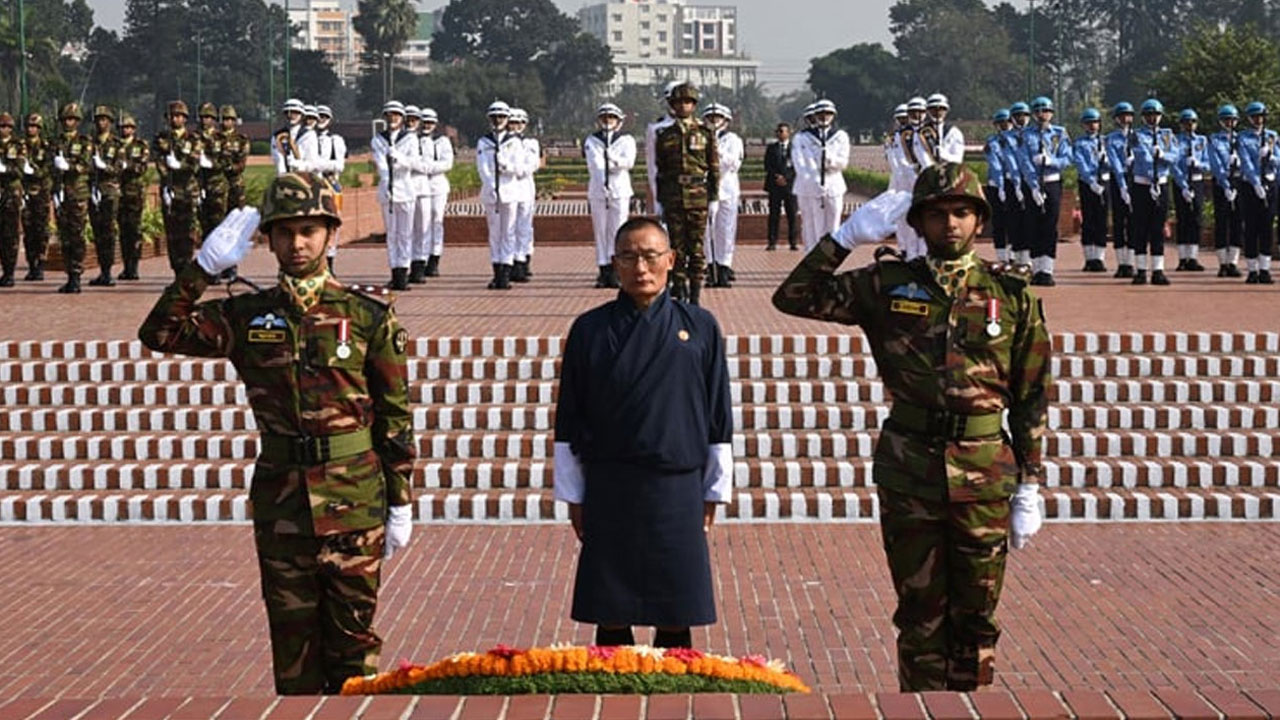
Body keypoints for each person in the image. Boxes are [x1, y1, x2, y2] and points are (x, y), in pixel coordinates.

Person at [771, 162, 1049, 692]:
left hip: (985, 471)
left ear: (979, 222)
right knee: (920, 613)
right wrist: (844, 236)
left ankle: (971, 706)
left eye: (962, 213)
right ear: (917, 222)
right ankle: (921, 709)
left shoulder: (1010, 294)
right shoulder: (885, 284)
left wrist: (1031, 484)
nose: (950, 224)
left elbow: (1032, 394)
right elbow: (794, 296)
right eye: (938, 214)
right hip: (911, 469)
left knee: (976, 615)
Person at [137, 172, 416, 694]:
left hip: (354, 500)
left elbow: (394, 414)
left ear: (331, 234)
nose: (297, 243)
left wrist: (399, 500)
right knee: (294, 652)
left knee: (354, 649)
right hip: (283, 503)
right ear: (267, 238)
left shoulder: (366, 314)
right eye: (284, 232)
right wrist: (200, 269)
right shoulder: (246, 315)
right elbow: (160, 332)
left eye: (309, 229)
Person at [553, 216, 732, 649]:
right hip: (611, 484)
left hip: (677, 485)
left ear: (671, 260)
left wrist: (715, 490)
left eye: (651, 256)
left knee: (676, 611)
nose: (641, 268)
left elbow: (718, 414)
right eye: (629, 257)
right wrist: (573, 495)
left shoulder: (701, 326)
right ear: (614, 264)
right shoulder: (590, 330)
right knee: (612, 613)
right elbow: (569, 417)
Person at [647, 82, 718, 304]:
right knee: (676, 249)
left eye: (687, 102)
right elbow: (660, 170)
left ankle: (695, 296)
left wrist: (714, 198)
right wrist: (659, 199)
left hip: (698, 195)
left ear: (694, 105)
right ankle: (679, 291)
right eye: (678, 102)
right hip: (674, 196)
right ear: (672, 105)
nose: (683, 106)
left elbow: (714, 168)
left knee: (696, 249)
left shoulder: (706, 132)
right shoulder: (665, 134)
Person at [1015, 96, 1071, 286]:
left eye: (1045, 111)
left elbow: (1066, 158)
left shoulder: (1060, 134)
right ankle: (1036, 267)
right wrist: (1033, 186)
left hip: (1052, 181)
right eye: (1038, 111)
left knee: (1049, 225)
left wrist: (1050, 161)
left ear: (1051, 113)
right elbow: (1023, 161)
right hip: (1032, 184)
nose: (1042, 115)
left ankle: (1047, 269)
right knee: (1033, 225)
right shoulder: (1026, 135)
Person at [1128, 98, 1183, 286]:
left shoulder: (1167, 135)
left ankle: (1158, 270)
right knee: (1140, 228)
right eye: (1149, 115)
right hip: (1142, 184)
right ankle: (1141, 270)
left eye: (1156, 115)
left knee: (1158, 228)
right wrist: (1154, 161)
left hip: (1161, 184)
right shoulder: (1136, 135)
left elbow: (1176, 155)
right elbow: (1141, 156)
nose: (1153, 118)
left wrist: (1162, 155)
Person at [585, 102, 636, 288]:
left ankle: (617, 270)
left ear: (618, 121)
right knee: (600, 231)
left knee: (617, 231)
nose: (608, 121)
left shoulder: (626, 140)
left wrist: (611, 160)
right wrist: (612, 163)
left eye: (612, 117)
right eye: (604, 117)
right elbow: (595, 164)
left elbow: (628, 162)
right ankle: (603, 269)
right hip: (599, 190)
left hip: (619, 190)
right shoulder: (592, 140)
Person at [371, 100, 421, 290]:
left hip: (405, 189)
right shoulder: (378, 139)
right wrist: (386, 179)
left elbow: (414, 162)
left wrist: (398, 158)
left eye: (396, 115)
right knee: (392, 234)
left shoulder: (410, 139)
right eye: (389, 115)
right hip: (388, 190)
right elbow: (380, 164)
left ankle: (404, 271)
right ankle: (395, 272)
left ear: (402, 118)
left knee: (405, 234)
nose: (393, 118)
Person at [153, 100, 206, 276]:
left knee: (187, 233)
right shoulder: (161, 138)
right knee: (172, 233)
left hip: (188, 190)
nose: (175, 119)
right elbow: (159, 161)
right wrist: (166, 176)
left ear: (184, 118)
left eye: (178, 116)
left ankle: (185, 268)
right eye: (171, 116)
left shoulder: (193, 139)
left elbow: (195, 164)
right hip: (170, 190)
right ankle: (176, 269)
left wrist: (179, 166)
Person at [476, 100, 524, 290]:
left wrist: (506, 166)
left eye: (502, 117)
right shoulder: (483, 141)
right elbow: (482, 167)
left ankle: (506, 272)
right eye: (495, 117)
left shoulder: (514, 142)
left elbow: (519, 167)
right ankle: (497, 271)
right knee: (495, 234)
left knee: (509, 233)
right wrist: (490, 185)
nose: (498, 120)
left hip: (509, 191)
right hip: (491, 192)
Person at [791, 98, 849, 253]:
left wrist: (829, 160)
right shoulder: (802, 137)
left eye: (828, 113)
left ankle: (830, 262)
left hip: (834, 185)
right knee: (815, 227)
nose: (824, 117)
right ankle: (814, 260)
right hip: (812, 186)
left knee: (834, 227)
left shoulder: (840, 136)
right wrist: (815, 177)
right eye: (821, 114)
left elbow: (843, 162)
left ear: (833, 115)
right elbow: (801, 164)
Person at [49, 102, 94, 294]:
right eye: (66, 119)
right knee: (64, 236)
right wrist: (54, 189)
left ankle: (76, 275)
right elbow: (49, 167)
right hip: (62, 194)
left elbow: (85, 165)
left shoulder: (84, 142)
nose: (69, 122)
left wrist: (68, 165)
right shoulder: (55, 142)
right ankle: (69, 275)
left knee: (76, 235)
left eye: (73, 120)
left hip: (78, 194)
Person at [703, 102, 742, 288]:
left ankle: (724, 266)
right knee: (707, 231)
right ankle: (711, 268)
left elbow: (731, 163)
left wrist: (715, 151)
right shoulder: (700, 137)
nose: (714, 121)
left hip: (727, 189)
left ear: (725, 121)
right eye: (710, 118)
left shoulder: (733, 139)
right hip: (706, 189)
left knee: (726, 230)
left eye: (717, 118)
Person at [1239, 101, 1278, 284]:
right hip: (1250, 187)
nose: (1258, 120)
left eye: (1261, 116)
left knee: (1266, 228)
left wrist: (1270, 155)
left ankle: (1265, 269)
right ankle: (1252, 269)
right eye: (1255, 116)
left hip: (1269, 184)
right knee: (1251, 228)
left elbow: (1279, 160)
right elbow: (1245, 163)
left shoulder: (1272, 136)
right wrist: (1255, 183)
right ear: (1249, 118)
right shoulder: (1244, 138)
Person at [85, 105, 123, 287]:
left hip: (109, 192)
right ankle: (102, 270)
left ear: (110, 123)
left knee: (108, 232)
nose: (101, 123)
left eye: (105, 119)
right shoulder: (89, 143)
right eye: (99, 119)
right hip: (93, 191)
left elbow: (119, 168)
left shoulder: (117, 145)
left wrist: (104, 166)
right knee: (97, 232)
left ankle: (108, 271)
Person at [1208, 104, 1245, 277]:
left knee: (1238, 222)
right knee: (1222, 222)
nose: (1229, 122)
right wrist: (1225, 184)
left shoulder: (1242, 140)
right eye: (1226, 119)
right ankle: (1222, 263)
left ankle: (1233, 262)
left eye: (1232, 119)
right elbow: (1215, 165)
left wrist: (1240, 164)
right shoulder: (1215, 140)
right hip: (1221, 182)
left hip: (1239, 181)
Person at [414, 107, 452, 279]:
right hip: (420, 185)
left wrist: (427, 167)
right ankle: (420, 258)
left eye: (430, 122)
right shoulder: (413, 139)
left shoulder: (442, 141)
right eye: (425, 122)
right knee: (421, 224)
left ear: (435, 124)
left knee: (436, 221)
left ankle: (434, 258)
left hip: (437, 184)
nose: (427, 125)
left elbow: (447, 163)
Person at [1072, 108, 1111, 272]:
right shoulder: (1080, 143)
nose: (1092, 126)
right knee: (1088, 220)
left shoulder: (1106, 142)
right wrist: (1091, 181)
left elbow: (1116, 162)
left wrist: (1106, 160)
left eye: (1095, 122)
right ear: (1084, 125)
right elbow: (1080, 164)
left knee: (1102, 220)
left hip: (1104, 183)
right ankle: (1089, 258)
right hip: (1088, 184)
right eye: (1089, 123)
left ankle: (1100, 258)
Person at [1172, 109, 1208, 272]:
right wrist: (1183, 185)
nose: (1190, 125)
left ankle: (1192, 257)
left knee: (1196, 219)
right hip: (1182, 183)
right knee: (1182, 219)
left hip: (1197, 181)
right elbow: (1173, 164)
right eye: (1186, 122)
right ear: (1181, 124)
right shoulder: (1175, 141)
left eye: (1192, 122)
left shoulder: (1202, 141)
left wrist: (1198, 164)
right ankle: (1182, 258)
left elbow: (1208, 163)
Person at [1104, 102, 1137, 278]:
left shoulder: (1138, 136)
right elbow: (1114, 161)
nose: (1125, 118)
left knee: (1133, 221)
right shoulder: (1111, 138)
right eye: (1122, 115)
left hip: (1135, 179)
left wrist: (1135, 160)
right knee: (1118, 221)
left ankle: (1130, 262)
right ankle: (1121, 263)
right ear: (1117, 119)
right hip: (1118, 180)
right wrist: (1122, 185)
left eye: (1128, 115)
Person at [507, 107, 540, 283]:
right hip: (509, 187)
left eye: (519, 123)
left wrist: (516, 170)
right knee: (510, 227)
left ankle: (523, 259)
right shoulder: (504, 142)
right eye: (512, 122)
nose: (516, 126)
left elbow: (533, 164)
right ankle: (511, 261)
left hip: (525, 186)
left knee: (525, 226)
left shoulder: (531, 143)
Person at [116, 113, 150, 281]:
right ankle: (126, 266)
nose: (126, 130)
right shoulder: (114, 145)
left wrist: (127, 166)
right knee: (123, 231)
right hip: (119, 192)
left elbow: (142, 167)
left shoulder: (140, 145)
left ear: (134, 129)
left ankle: (134, 266)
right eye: (123, 128)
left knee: (134, 230)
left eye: (129, 127)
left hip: (134, 192)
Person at [314, 105, 348, 276]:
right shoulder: (308, 138)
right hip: (313, 185)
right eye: (318, 116)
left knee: (333, 224)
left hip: (330, 184)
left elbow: (339, 165)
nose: (320, 119)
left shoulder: (336, 140)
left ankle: (330, 261)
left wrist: (316, 164)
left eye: (324, 117)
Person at [20, 113, 52, 281]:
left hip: (40, 192)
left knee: (41, 229)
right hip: (25, 192)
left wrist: (34, 171)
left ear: (39, 129)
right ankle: (31, 264)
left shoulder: (45, 147)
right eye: (29, 126)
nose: (31, 129)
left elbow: (48, 167)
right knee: (28, 229)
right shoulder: (20, 146)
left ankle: (40, 264)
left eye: (34, 127)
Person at [197, 102, 231, 250]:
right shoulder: (194, 137)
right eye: (203, 117)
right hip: (199, 185)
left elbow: (226, 161)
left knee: (219, 224)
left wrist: (211, 164)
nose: (206, 120)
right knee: (204, 224)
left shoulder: (221, 138)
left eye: (209, 117)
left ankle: (224, 263)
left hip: (217, 185)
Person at [0, 112, 26, 286]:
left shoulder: (18, 145)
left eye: (8, 126)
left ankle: (9, 272)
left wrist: (5, 169)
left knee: (10, 234)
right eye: (2, 126)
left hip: (11, 192)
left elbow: (20, 169)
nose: (4, 129)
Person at [983, 109, 1011, 263]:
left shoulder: (1018, 139)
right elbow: (995, 165)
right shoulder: (992, 141)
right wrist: (1000, 186)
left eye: (1007, 122)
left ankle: (1014, 253)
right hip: (996, 185)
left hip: (1014, 183)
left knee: (1015, 220)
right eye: (1000, 123)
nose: (1004, 125)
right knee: (999, 221)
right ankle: (1001, 256)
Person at [764, 122, 797, 251]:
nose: (779, 133)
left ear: (789, 133)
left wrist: (786, 178)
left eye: (782, 131)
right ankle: (772, 242)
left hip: (790, 186)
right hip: (774, 185)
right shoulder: (771, 148)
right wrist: (777, 177)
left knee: (792, 215)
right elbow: (767, 166)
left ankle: (793, 241)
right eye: (778, 131)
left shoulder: (795, 148)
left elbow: (797, 166)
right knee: (773, 215)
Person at [915, 93, 965, 166]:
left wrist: (943, 155)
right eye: (933, 109)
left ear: (946, 111)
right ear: (928, 111)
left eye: (941, 109)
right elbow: (920, 156)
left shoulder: (954, 132)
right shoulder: (920, 133)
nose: (937, 112)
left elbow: (958, 158)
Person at [272, 98, 318, 175]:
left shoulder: (309, 135)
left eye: (295, 112)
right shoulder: (277, 136)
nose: (290, 115)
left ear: (302, 115)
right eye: (287, 112)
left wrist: (298, 166)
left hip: (306, 177)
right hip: (284, 176)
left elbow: (312, 163)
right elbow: (278, 160)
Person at [221, 105, 252, 210]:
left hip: (235, 182)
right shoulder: (215, 138)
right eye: (224, 119)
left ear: (234, 121)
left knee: (238, 213)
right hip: (218, 182)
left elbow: (242, 162)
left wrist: (231, 167)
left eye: (229, 119)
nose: (226, 122)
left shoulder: (241, 139)